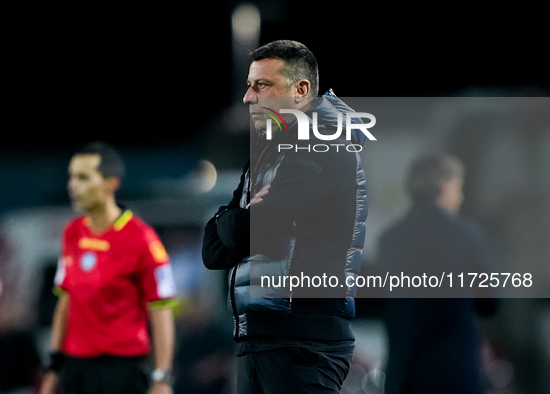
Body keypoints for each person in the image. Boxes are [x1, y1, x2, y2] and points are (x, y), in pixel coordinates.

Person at [202, 40, 369, 393]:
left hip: (302, 343)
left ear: (301, 90)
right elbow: (213, 252)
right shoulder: (272, 149)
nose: (249, 97)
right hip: (261, 340)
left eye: (262, 85)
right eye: (249, 85)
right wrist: (240, 217)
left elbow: (245, 232)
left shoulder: (325, 144)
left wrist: (239, 218)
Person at [40, 142, 178, 394]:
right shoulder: (72, 233)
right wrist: (53, 368)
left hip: (121, 373)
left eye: (83, 177)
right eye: (71, 176)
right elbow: (66, 301)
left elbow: (161, 309)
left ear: (110, 183)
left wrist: (162, 378)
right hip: (75, 371)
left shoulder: (141, 238)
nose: (72, 185)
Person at [378, 153, 497, 394]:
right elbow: (491, 301)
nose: (460, 196)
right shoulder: (467, 236)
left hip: (405, 374)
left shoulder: (389, 240)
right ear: (444, 186)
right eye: (458, 187)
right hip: (455, 372)